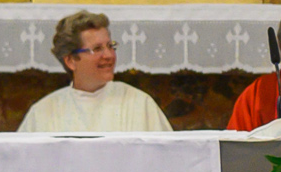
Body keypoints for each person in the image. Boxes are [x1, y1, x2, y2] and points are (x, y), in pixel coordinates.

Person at [19, 12, 172, 132]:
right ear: (71, 60)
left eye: (110, 46)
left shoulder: (139, 104)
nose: (109, 56)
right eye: (97, 49)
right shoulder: (43, 114)